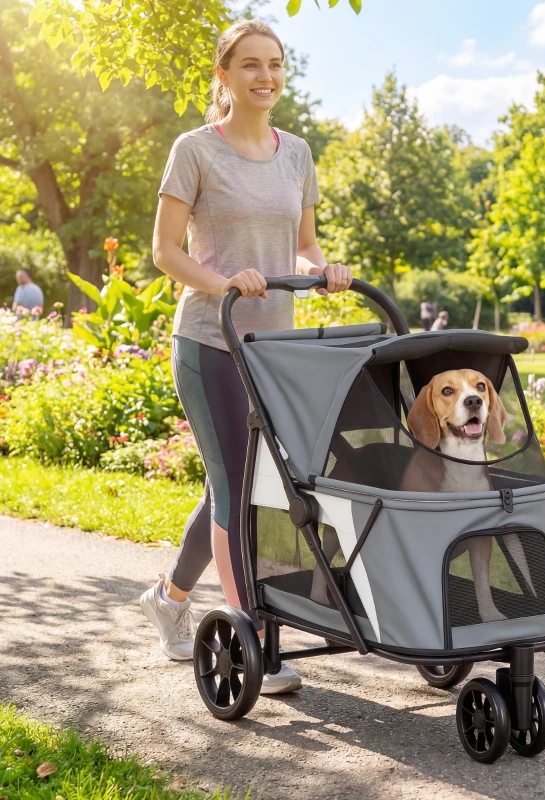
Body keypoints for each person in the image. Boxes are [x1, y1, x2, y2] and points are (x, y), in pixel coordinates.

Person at [138, 19, 353, 693]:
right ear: (224, 76)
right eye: (251, 65)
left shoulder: (298, 153)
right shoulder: (195, 150)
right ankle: (255, 631)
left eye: (276, 65)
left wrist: (325, 267)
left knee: (229, 487)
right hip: (209, 339)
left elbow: (304, 243)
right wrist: (221, 280)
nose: (265, 76)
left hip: (272, 347)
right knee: (237, 484)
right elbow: (165, 250)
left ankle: (170, 600)